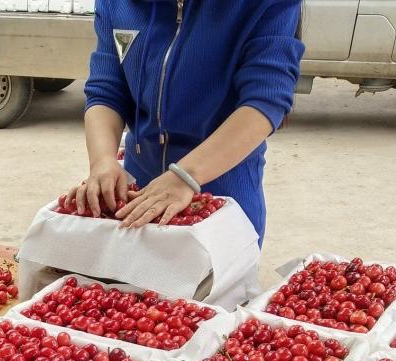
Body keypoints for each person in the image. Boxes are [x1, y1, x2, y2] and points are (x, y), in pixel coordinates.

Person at [67, 0, 304, 243]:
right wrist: (102, 161)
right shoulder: (118, 4)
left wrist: (186, 175)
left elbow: (266, 100)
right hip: (138, 201)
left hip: (220, 202)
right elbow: (107, 91)